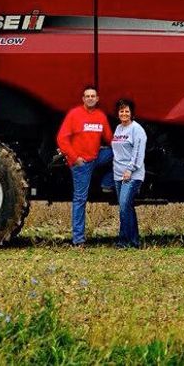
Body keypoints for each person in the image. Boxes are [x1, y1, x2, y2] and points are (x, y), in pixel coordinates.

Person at [57, 85, 114, 247]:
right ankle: (78, 240)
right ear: (83, 99)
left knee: (117, 153)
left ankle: (106, 184)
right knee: (80, 199)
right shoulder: (74, 114)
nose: (90, 98)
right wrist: (75, 158)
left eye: (93, 96)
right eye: (87, 96)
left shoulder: (101, 116)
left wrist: (125, 144)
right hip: (81, 163)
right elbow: (62, 138)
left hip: (96, 157)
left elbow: (110, 138)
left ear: (97, 99)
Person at [111, 98, 148, 249]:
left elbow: (138, 152)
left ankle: (123, 241)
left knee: (124, 205)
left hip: (132, 175)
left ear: (131, 113)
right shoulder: (118, 129)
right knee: (127, 207)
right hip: (118, 174)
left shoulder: (137, 129)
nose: (124, 113)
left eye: (127, 111)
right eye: (121, 111)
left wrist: (130, 169)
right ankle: (134, 241)